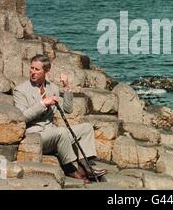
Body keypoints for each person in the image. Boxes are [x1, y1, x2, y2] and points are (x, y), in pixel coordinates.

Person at [13, 54, 106, 183]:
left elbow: (68, 109)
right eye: (32, 68)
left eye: (37, 69)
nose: (33, 72)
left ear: (46, 71)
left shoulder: (52, 88)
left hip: (52, 133)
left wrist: (67, 87)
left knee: (86, 128)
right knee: (61, 132)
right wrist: (42, 104)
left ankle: (87, 165)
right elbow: (21, 117)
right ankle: (70, 169)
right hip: (35, 135)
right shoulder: (20, 90)